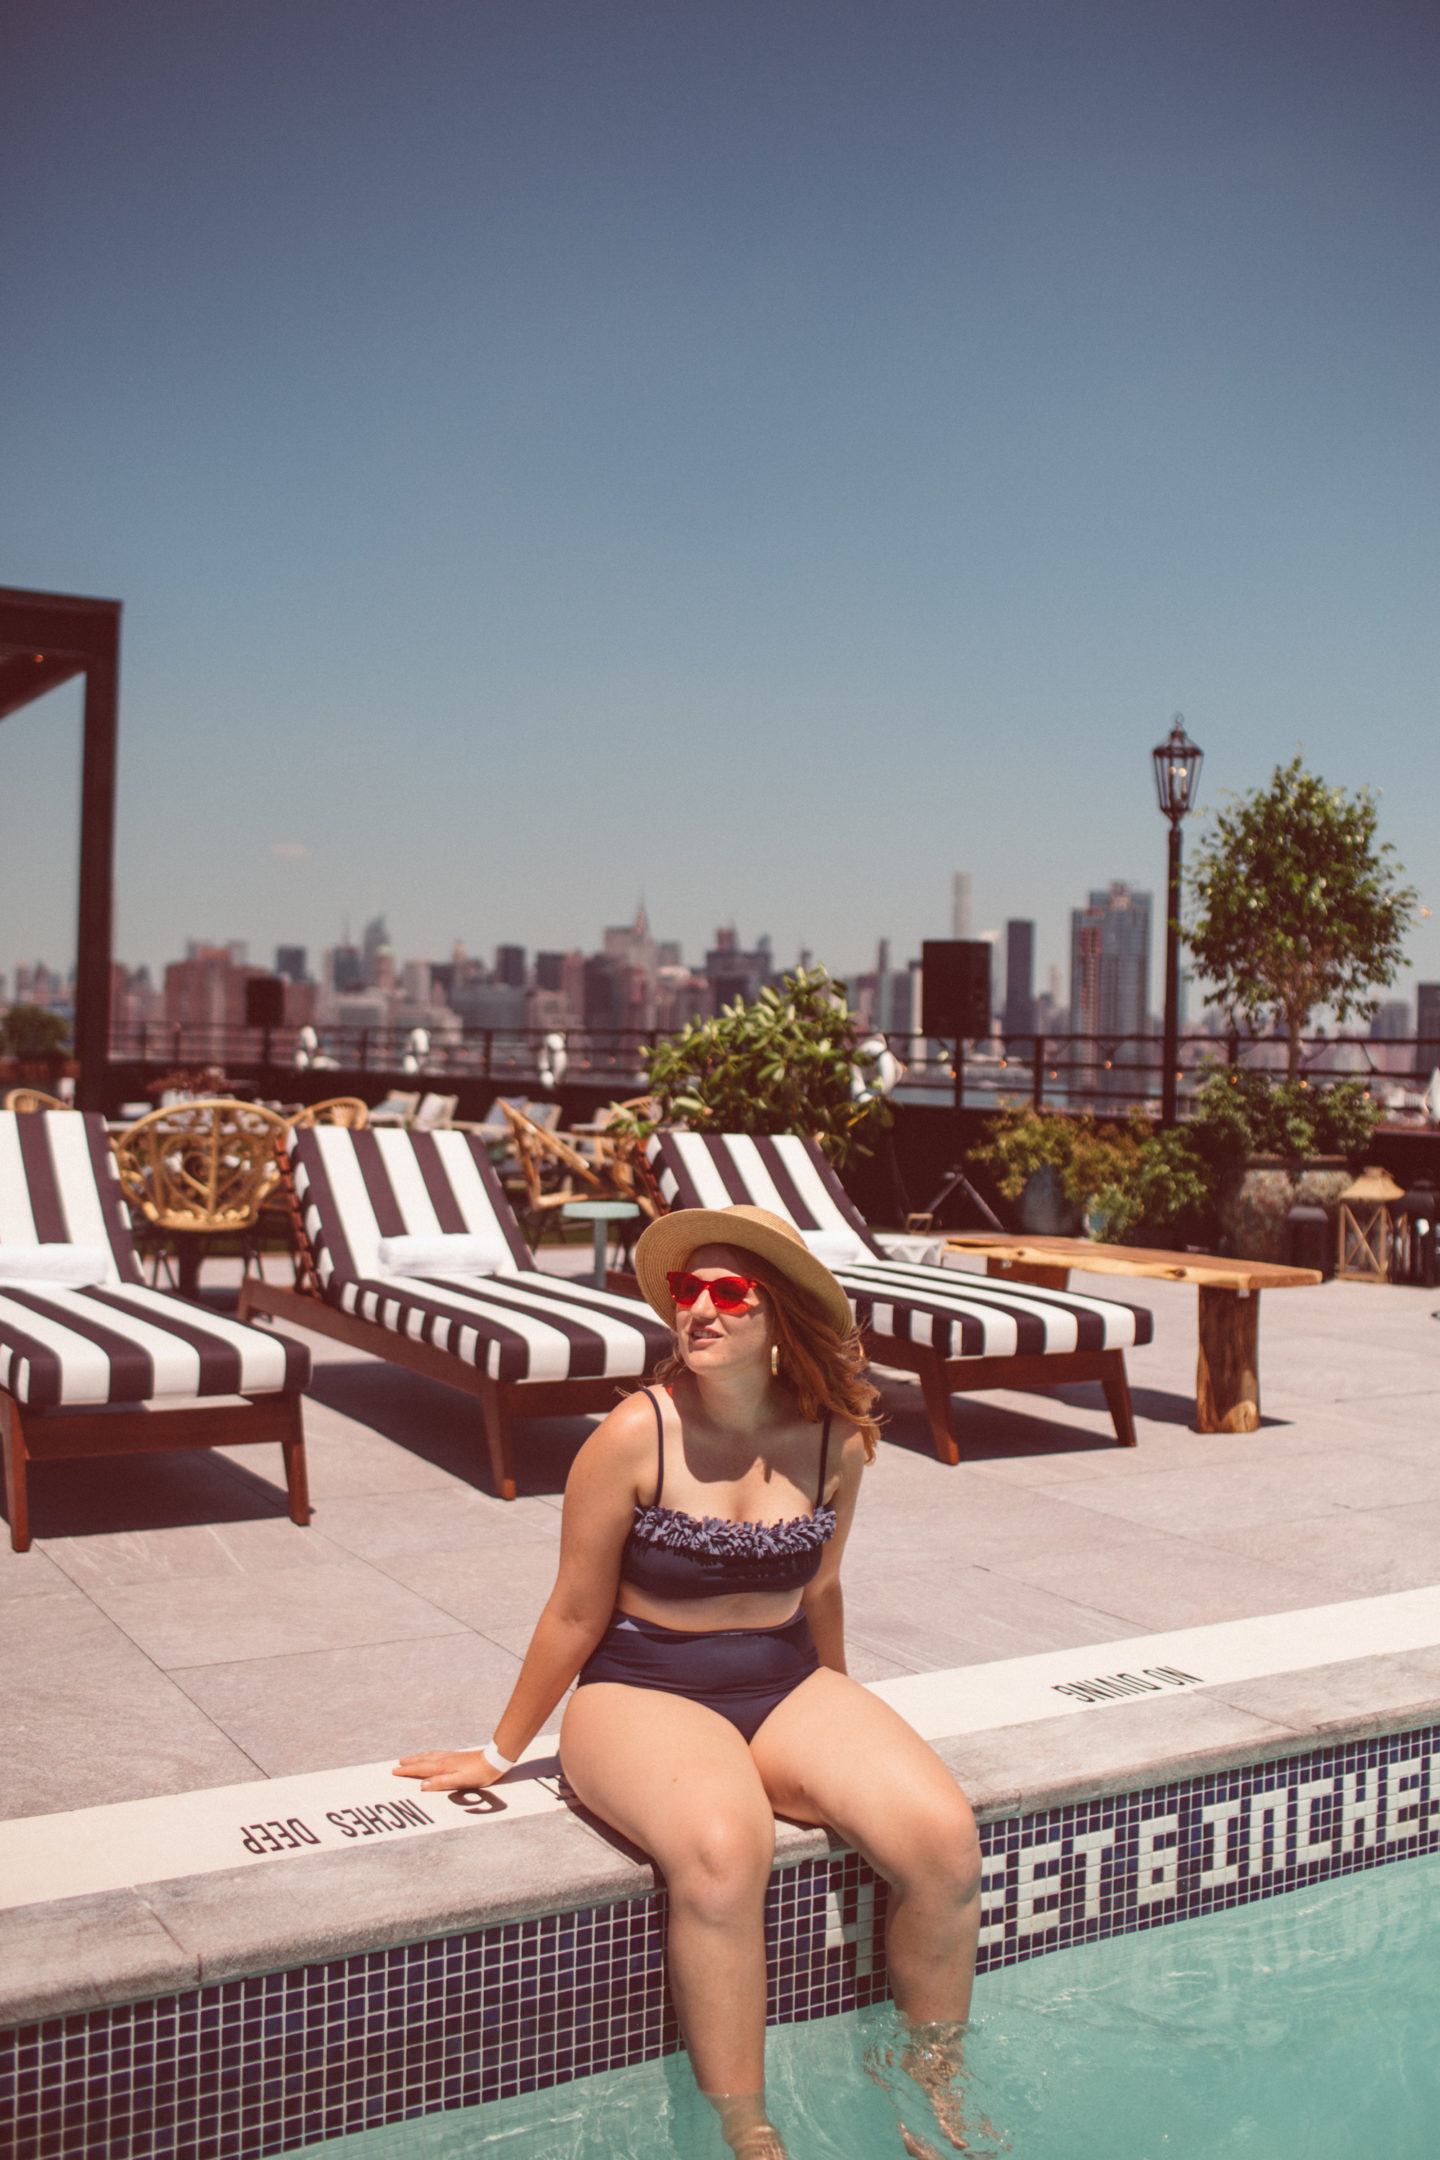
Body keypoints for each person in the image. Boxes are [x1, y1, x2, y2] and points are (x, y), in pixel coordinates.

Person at [395, 1204, 981, 2158]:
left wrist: (843, 1716)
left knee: (944, 1840)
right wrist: (500, 1752)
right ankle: (746, 2130)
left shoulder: (838, 1439)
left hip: (783, 1681)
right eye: (685, 1290)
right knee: (722, 1849)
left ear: (778, 1316)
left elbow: (822, 1586)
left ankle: (933, 2091)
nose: (698, 1309)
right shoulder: (636, 1434)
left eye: (727, 1292)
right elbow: (576, 1613)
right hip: (642, 1689)